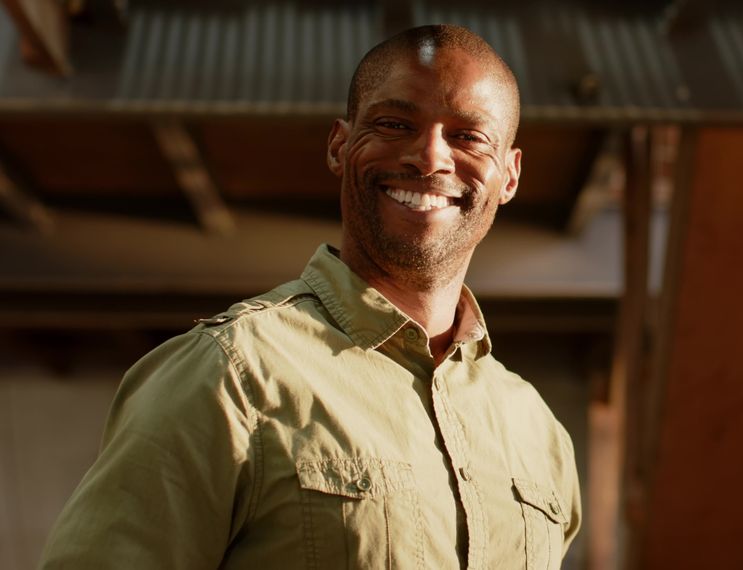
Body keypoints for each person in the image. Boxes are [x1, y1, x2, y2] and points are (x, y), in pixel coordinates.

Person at [39, 24, 581, 569]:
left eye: (468, 136)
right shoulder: (228, 377)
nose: (429, 156)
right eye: (395, 123)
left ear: (509, 175)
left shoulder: (536, 429)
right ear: (339, 146)